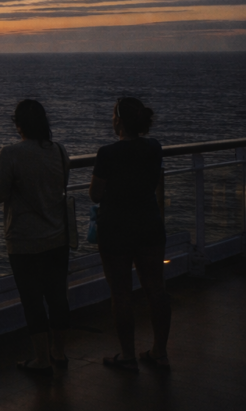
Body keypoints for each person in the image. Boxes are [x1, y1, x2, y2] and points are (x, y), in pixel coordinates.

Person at [90, 97, 170, 373]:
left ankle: (127, 354)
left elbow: (95, 194)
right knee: (156, 289)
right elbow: (153, 181)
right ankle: (160, 351)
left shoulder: (107, 153)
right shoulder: (154, 147)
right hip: (149, 224)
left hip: (116, 230)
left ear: (119, 121)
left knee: (121, 294)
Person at [0, 99, 71, 373]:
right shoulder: (59, 151)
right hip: (58, 236)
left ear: (19, 125)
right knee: (58, 296)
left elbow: (0, 193)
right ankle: (59, 353)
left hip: (24, 239)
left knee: (32, 300)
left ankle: (41, 360)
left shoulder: (10, 153)